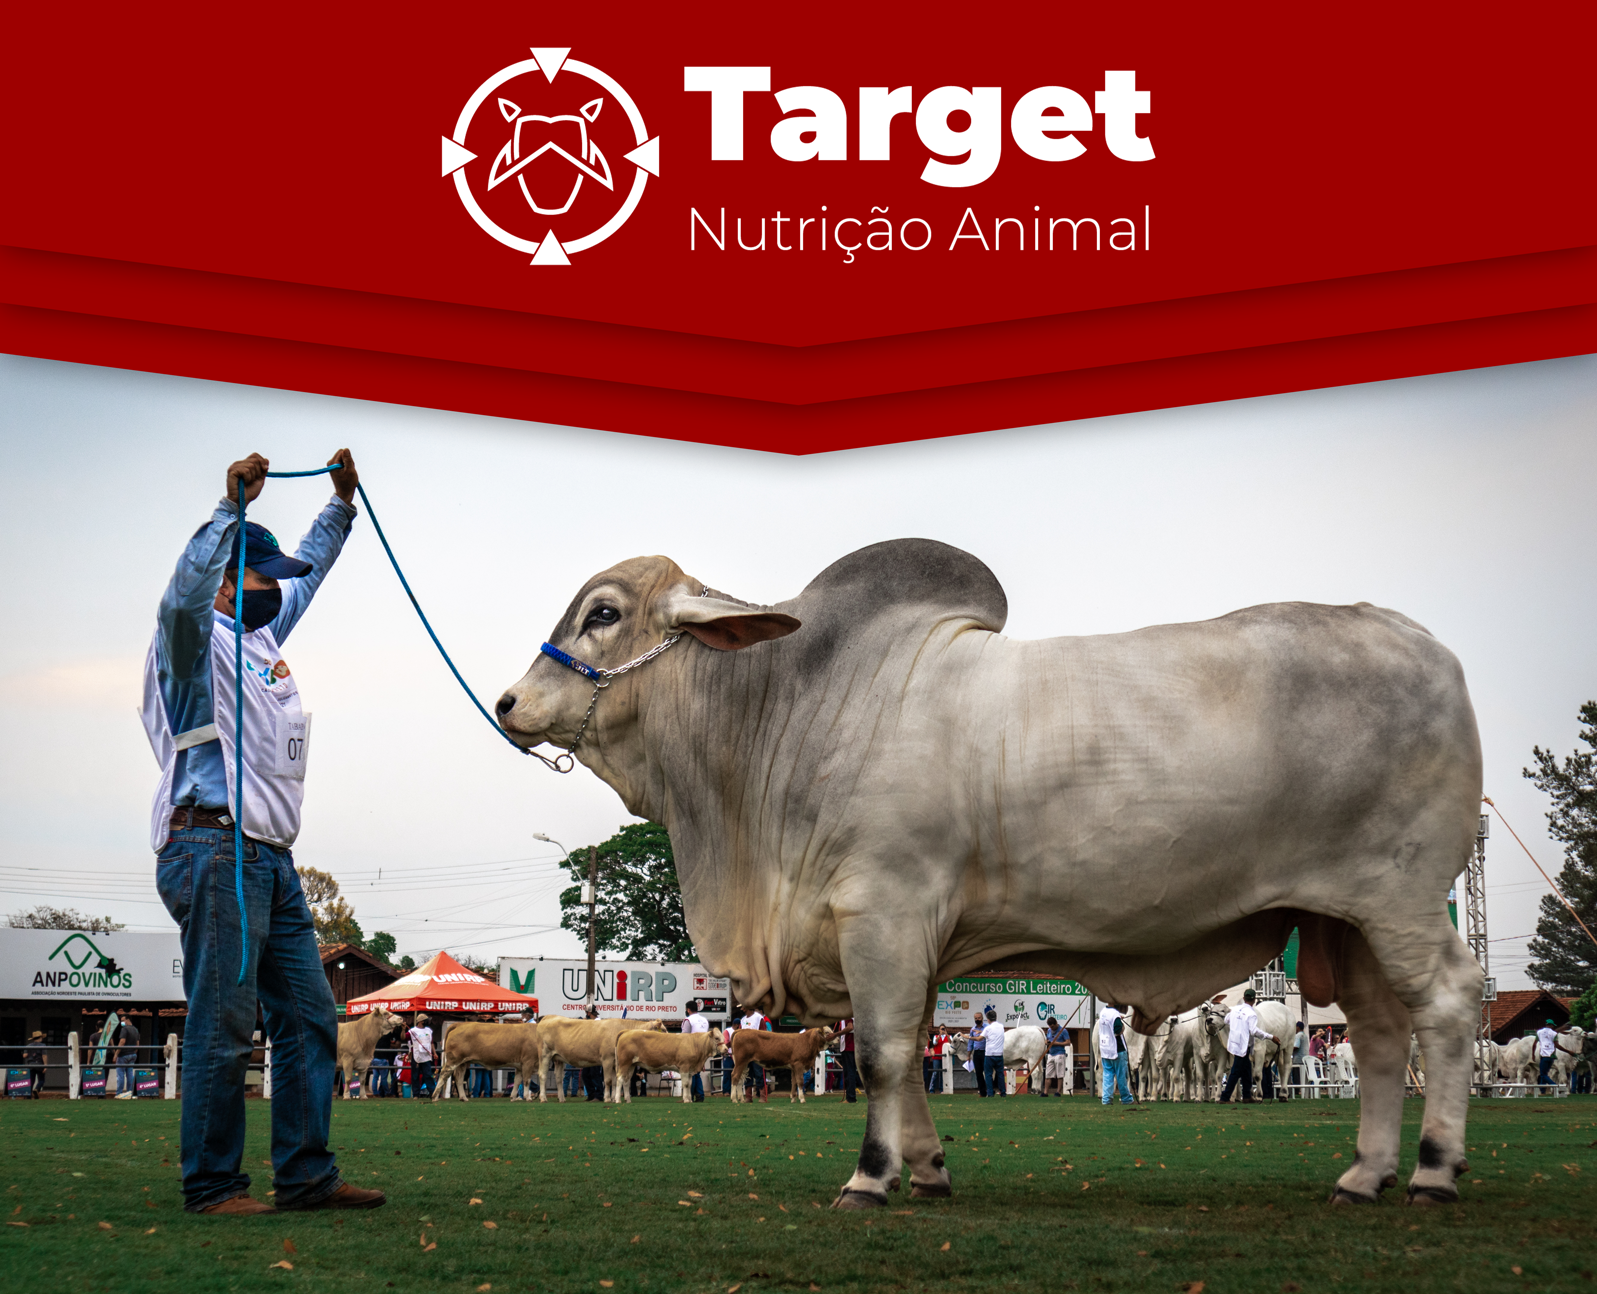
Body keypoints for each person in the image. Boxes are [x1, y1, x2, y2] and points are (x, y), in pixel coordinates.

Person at [145, 451, 380, 1216]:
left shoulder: (260, 639)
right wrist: (226, 514)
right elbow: (178, 604)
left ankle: (306, 1176)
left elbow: (307, 577)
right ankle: (212, 1185)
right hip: (213, 848)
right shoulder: (190, 644)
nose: (275, 586)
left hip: (267, 859)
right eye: (259, 572)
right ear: (222, 577)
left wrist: (341, 506)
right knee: (224, 1022)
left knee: (310, 1015)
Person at [1220, 989, 1280, 1104]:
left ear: (1244, 998)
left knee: (1247, 1070)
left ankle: (1247, 1095)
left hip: (1234, 1043)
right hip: (1243, 1046)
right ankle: (1225, 1097)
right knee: (1235, 1072)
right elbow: (1253, 1031)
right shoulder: (1252, 1014)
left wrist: (1237, 1023)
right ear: (1254, 1000)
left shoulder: (1234, 1010)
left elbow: (1226, 1020)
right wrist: (1270, 1037)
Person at [1098, 1003, 1134, 1105]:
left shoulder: (1103, 1012)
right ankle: (1126, 1099)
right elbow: (1118, 1030)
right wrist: (1122, 1025)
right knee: (1121, 1076)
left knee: (1108, 1075)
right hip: (1117, 1049)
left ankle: (1106, 1099)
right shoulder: (1115, 1014)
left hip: (1105, 1049)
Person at [739, 1004, 769, 1098]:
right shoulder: (743, 1020)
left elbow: (763, 1033)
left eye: (743, 1006)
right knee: (747, 1073)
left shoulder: (758, 1018)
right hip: (746, 1051)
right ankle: (748, 1096)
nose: (741, 1008)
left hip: (757, 1051)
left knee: (759, 1072)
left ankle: (762, 1095)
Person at [683, 1000, 710, 1102]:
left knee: (691, 1073)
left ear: (688, 1009)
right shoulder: (704, 1020)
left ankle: (690, 1095)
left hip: (691, 1048)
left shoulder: (688, 1020)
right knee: (697, 1072)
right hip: (703, 1049)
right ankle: (700, 1095)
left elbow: (684, 1036)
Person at [113, 1015, 141, 1100]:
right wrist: (134, 1052)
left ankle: (119, 1093)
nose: (122, 1022)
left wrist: (116, 1054)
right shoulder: (135, 1030)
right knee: (130, 1074)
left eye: (123, 1020)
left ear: (128, 1020)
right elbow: (137, 1044)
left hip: (123, 1055)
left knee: (120, 1075)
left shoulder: (124, 1029)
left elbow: (122, 1041)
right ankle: (130, 1092)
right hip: (132, 1054)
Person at [581, 1005, 605, 1101]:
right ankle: (591, 1094)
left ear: (589, 1013)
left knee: (595, 1074)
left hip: (596, 1051)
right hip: (590, 1051)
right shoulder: (592, 1021)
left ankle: (599, 1095)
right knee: (585, 1074)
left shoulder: (597, 1022)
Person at [981, 1009, 1007, 1098]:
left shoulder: (987, 1028)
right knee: (1000, 1074)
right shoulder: (1001, 1026)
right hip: (999, 1054)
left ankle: (990, 1093)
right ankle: (1003, 1092)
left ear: (988, 1019)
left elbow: (980, 1038)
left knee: (988, 1074)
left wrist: (968, 1037)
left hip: (989, 1054)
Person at [409, 1014, 436, 1098]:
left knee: (428, 1075)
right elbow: (405, 1038)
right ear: (421, 1021)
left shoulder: (428, 1030)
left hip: (426, 1056)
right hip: (416, 1056)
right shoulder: (412, 1031)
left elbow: (431, 1043)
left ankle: (432, 1092)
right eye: (426, 1020)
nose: (428, 1022)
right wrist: (403, 1030)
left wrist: (434, 1053)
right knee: (415, 1076)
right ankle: (416, 1094)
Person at [1043, 1016, 1070, 1097]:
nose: (1052, 1028)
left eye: (1052, 1026)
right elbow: (1047, 1039)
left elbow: (1068, 1042)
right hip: (1051, 1053)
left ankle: (1058, 1092)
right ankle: (1045, 1092)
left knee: (1060, 1074)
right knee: (1048, 1074)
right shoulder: (1049, 1031)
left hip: (1060, 1053)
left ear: (1055, 1024)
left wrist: (1056, 1043)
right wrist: (1046, 1042)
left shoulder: (1063, 1031)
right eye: (1050, 1027)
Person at [836, 1017, 859, 1102]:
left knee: (849, 1073)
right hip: (851, 1046)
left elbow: (850, 1027)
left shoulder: (847, 1015)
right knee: (850, 1072)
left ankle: (850, 1097)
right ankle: (850, 1096)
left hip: (848, 1046)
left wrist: (836, 1034)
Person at [24, 1031, 48, 1099]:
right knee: (41, 1080)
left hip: (31, 1065)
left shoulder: (28, 1046)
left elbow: (25, 1055)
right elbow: (44, 1056)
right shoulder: (43, 1045)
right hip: (39, 1064)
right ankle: (37, 1089)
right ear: (40, 1038)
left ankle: (28, 1096)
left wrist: (31, 1055)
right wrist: (45, 1066)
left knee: (31, 1080)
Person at [968, 1013, 988, 1097]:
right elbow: (970, 1043)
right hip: (976, 1053)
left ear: (982, 1018)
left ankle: (989, 1090)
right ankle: (982, 1092)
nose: (977, 1019)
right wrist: (968, 1055)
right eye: (976, 1018)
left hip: (986, 1052)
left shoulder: (987, 1028)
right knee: (978, 1073)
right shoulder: (973, 1029)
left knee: (987, 1072)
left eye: (979, 1018)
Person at [1290, 1021, 1308, 1089]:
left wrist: (1288, 1050)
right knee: (1304, 1076)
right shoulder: (1305, 1035)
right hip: (1305, 1059)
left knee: (1297, 1076)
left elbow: (1296, 1046)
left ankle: (1298, 1090)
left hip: (1298, 1059)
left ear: (1297, 1027)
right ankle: (1304, 1089)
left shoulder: (1297, 1035)